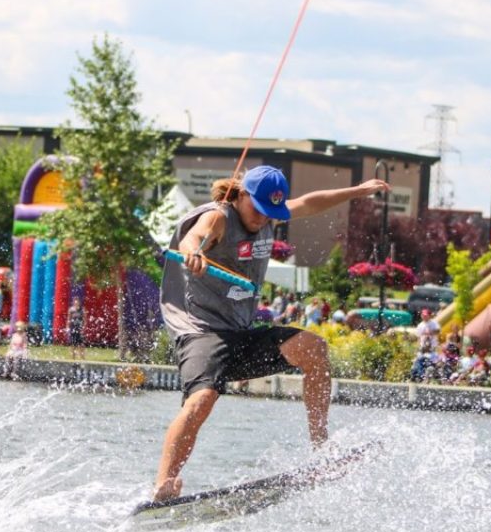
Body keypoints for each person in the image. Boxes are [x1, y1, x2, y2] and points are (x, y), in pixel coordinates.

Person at [151, 165, 389, 501]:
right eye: (258, 210)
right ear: (243, 195)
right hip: (202, 331)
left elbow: (310, 202)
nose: (264, 218)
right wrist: (194, 252)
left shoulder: (269, 212)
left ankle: (320, 448)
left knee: (314, 349)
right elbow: (195, 235)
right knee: (201, 400)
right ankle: (164, 486)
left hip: (241, 332)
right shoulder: (220, 217)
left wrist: (358, 191)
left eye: (270, 212)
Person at [67, 296, 85, 360]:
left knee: (81, 344)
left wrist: (83, 328)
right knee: (73, 344)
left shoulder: (82, 310)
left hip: (80, 329)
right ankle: (73, 358)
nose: (76, 304)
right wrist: (67, 328)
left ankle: (82, 358)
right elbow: (68, 319)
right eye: (75, 303)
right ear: (74, 303)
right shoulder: (71, 310)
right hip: (73, 329)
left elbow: (84, 320)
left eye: (77, 302)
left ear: (79, 303)